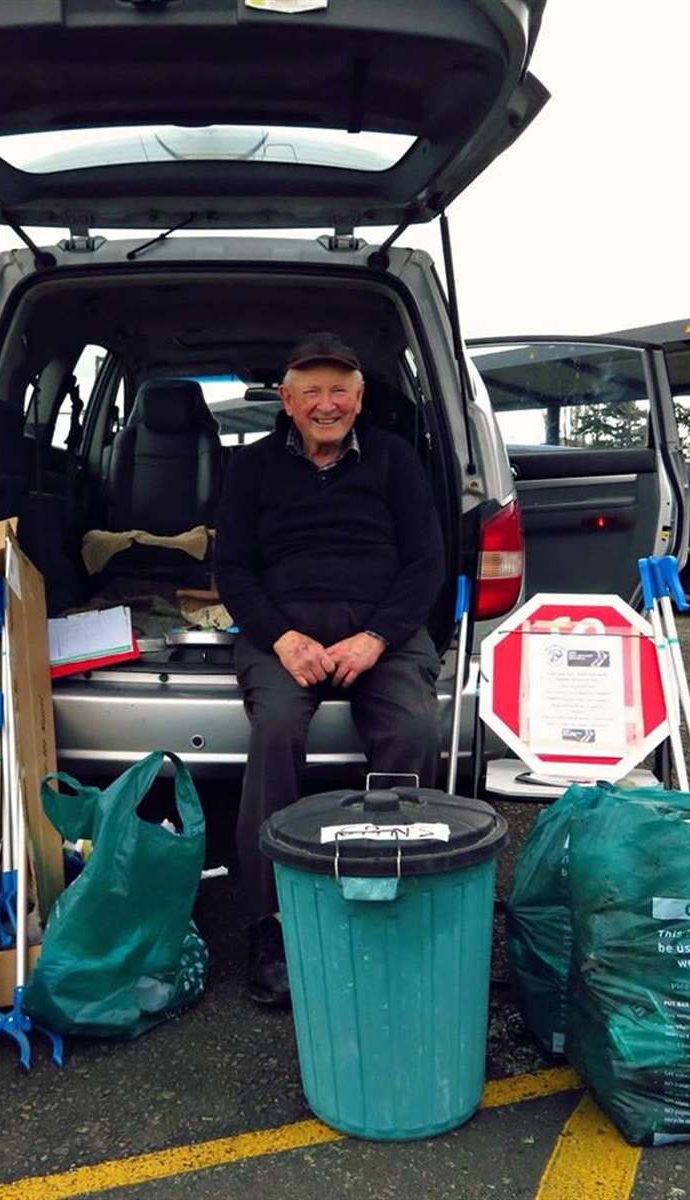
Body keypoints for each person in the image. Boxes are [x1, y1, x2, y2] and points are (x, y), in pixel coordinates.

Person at [214, 332, 445, 1005]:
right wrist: (281, 638)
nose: (326, 403)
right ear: (285, 401)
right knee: (278, 727)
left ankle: (390, 898)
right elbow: (231, 568)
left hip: (384, 632)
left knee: (411, 729)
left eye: (338, 388)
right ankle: (272, 923)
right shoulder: (252, 468)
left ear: (360, 396)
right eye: (310, 390)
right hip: (284, 632)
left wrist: (376, 638)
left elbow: (426, 564)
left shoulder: (398, 462)